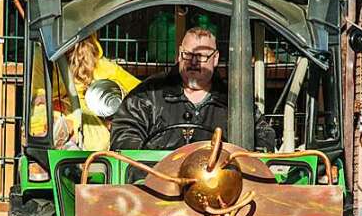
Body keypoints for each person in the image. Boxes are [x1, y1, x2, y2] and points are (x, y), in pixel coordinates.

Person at [110, 27, 275, 151]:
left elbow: (263, 136)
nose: (193, 62)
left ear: (215, 58)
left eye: (201, 56)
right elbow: (125, 135)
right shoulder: (148, 94)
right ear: (179, 53)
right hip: (159, 184)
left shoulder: (233, 101)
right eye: (188, 55)